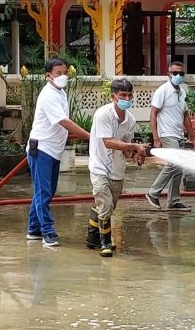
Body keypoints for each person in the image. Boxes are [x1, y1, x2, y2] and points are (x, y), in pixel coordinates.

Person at [26, 58, 91, 247]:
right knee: (43, 192)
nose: (63, 77)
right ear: (48, 76)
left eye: (65, 73)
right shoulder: (48, 95)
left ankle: (33, 228)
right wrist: (89, 136)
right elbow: (64, 121)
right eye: (58, 73)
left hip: (54, 150)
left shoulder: (60, 93)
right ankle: (48, 231)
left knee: (45, 192)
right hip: (42, 149)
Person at [85, 79, 149, 257]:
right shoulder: (103, 114)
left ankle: (92, 237)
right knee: (105, 205)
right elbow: (108, 142)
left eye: (129, 95)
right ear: (113, 96)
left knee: (107, 206)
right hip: (99, 166)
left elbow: (126, 147)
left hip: (117, 168)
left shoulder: (130, 120)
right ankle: (105, 243)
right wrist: (134, 147)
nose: (127, 99)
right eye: (122, 96)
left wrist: (137, 154)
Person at [144, 61, 195, 211]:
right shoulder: (162, 91)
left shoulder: (183, 92)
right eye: (175, 73)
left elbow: (186, 116)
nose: (178, 76)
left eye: (181, 73)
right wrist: (156, 138)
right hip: (167, 134)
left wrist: (192, 137)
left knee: (179, 168)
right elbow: (153, 115)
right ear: (169, 74)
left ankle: (174, 201)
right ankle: (153, 192)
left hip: (179, 134)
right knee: (174, 164)